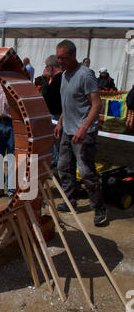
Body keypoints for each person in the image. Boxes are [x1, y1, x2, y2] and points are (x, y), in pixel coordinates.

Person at [54, 39, 107, 226]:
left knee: (86, 172)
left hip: (84, 133)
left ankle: (99, 208)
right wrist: (60, 121)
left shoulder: (85, 75)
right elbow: (68, 103)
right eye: (58, 58)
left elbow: (97, 104)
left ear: (73, 55)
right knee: (63, 167)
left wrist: (83, 128)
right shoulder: (64, 76)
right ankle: (70, 201)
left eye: (63, 57)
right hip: (68, 131)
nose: (60, 61)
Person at [42, 55, 63, 168]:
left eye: (46, 66)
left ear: (50, 67)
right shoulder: (57, 79)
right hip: (56, 114)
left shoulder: (58, 80)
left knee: (53, 138)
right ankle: (54, 159)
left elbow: (51, 99)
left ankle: (54, 160)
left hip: (55, 114)